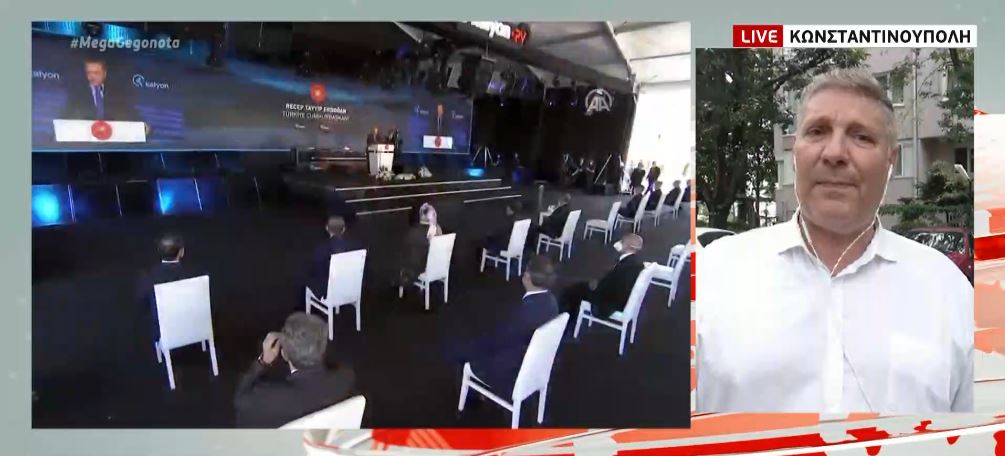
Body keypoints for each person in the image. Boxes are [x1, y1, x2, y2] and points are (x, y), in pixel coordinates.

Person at [696, 68, 973, 413]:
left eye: (861, 137)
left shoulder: (948, 291)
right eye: (817, 131)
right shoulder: (714, 273)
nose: (835, 153)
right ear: (795, 152)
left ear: (891, 161)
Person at [234, 312, 356, 428]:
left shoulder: (268, 398)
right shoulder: (346, 377)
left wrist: (263, 362)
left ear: (284, 354)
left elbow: (240, 399)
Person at [462, 255, 559, 395]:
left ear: (527, 276)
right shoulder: (552, 302)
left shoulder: (523, 312)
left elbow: (500, 340)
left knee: (467, 349)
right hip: (535, 366)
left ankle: (473, 395)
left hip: (511, 371)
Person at [135, 234, 203, 342]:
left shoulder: (147, 277)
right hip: (195, 328)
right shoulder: (196, 275)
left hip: (163, 333)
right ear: (182, 252)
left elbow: (143, 306)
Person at [560, 233, 644, 316]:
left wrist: (597, 286)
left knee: (573, 291)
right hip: (618, 299)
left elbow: (615, 287)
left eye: (622, 241)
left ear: (629, 247)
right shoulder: (637, 263)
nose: (618, 243)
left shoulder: (625, 266)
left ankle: (568, 318)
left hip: (607, 304)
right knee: (581, 286)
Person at [62, 57, 141, 122]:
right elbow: (66, 115)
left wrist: (142, 125)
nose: (92, 77)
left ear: (104, 74)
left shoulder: (117, 93)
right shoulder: (77, 94)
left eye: (96, 73)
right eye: (89, 73)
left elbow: (130, 112)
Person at [306, 215, 354, 300]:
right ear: (344, 229)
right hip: (349, 288)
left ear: (327, 228)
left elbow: (317, 271)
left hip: (328, 291)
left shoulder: (321, 248)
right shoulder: (353, 247)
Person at [399, 203, 443, 289]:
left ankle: (405, 279)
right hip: (438, 266)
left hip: (423, 267)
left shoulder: (415, 232)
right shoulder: (438, 228)